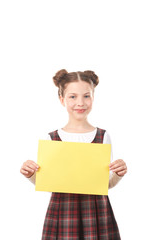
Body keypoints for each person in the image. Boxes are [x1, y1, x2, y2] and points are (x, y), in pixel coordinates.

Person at [20, 69, 127, 239]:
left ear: (93, 97)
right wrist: (30, 174)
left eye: (87, 96)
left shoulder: (103, 135)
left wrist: (119, 174)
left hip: (96, 212)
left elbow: (105, 184)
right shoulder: (51, 138)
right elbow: (48, 183)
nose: (80, 102)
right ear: (62, 99)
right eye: (72, 96)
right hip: (62, 211)